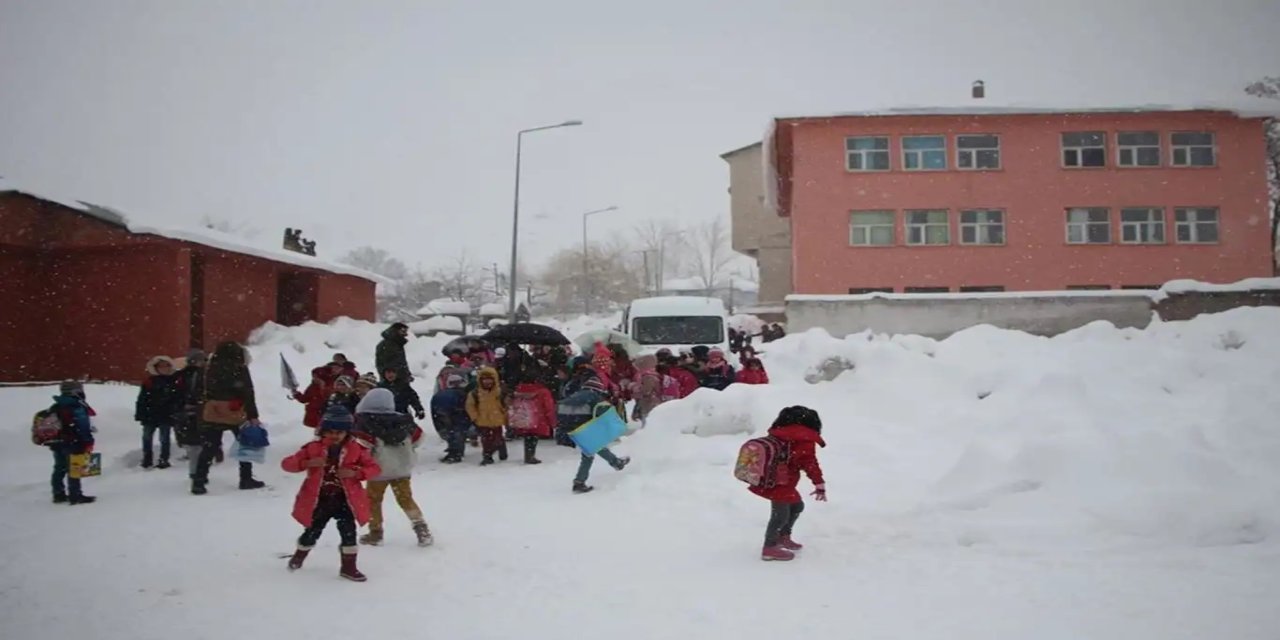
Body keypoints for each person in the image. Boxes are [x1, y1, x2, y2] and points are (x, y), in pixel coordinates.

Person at [281, 406, 381, 581]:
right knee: (312, 531)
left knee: (348, 532)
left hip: (346, 500)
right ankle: (299, 557)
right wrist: (308, 463)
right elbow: (287, 464)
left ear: (347, 433)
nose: (335, 436)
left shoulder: (356, 449)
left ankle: (349, 567)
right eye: (330, 432)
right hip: (320, 499)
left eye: (340, 432)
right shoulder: (312, 448)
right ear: (323, 431)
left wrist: (356, 473)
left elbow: (374, 468)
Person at [354, 389, 432, 547]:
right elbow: (419, 438)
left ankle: (375, 532)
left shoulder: (364, 421)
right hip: (401, 468)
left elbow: (363, 445)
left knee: (373, 500)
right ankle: (421, 528)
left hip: (378, 469)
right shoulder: (404, 420)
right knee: (405, 499)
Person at [751, 406, 826, 562]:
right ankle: (770, 547)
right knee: (780, 514)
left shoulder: (780, 432)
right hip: (780, 482)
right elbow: (809, 462)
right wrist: (819, 483)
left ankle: (783, 536)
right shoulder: (803, 438)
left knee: (796, 506)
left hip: (775, 479)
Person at [192, 341, 265, 495]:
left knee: (209, 448)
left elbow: (199, 391)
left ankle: (199, 481)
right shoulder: (239, 368)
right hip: (236, 411)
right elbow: (247, 392)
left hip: (213, 412)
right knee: (245, 445)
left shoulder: (207, 369)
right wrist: (253, 415)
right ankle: (245, 478)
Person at [47, 381, 96, 504]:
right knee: (75, 468)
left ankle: (58, 494)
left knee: (59, 468)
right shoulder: (76, 406)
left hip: (57, 442)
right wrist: (88, 442)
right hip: (73, 442)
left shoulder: (56, 405)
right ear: (75, 391)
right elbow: (83, 427)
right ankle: (75, 495)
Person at [571, 403, 631, 495]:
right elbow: (603, 416)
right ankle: (579, 482)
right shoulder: (594, 397)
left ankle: (616, 462)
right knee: (590, 452)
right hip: (585, 428)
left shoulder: (576, 397)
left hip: (574, 427)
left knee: (592, 448)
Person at [134, 356, 182, 469]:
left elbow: (178, 398)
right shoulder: (149, 381)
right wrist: (140, 413)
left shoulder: (174, 382)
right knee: (147, 437)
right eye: (161, 366)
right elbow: (142, 399)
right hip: (150, 414)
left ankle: (164, 459)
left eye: (166, 366)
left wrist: (175, 412)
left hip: (166, 414)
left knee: (164, 438)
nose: (164, 368)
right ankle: (147, 458)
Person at [507, 371, 557, 464]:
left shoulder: (519, 390)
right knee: (533, 438)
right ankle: (530, 456)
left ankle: (528, 455)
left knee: (527, 437)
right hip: (538, 419)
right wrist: (552, 421)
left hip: (523, 418)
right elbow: (548, 407)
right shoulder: (543, 391)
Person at [465, 368, 507, 465]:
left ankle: (500, 447)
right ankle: (487, 456)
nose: (487, 382)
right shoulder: (475, 393)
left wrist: (505, 414)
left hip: (497, 419)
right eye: (484, 379)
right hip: (482, 420)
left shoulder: (499, 392)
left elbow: (506, 404)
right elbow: (470, 406)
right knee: (485, 440)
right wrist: (474, 417)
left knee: (497, 438)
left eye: (490, 379)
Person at [174, 349, 206, 472]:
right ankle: (196, 469)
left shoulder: (185, 374)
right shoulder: (185, 375)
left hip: (194, 408)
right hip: (191, 408)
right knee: (193, 436)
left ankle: (196, 469)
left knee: (194, 436)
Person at [430, 374, 471, 463]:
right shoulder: (464, 394)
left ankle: (454, 452)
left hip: (446, 416)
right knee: (457, 434)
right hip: (458, 417)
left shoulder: (441, 394)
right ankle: (456, 453)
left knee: (452, 434)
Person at [631, 354, 664, 423]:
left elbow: (647, 391)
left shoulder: (648, 376)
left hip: (649, 403)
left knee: (649, 421)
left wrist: (635, 388)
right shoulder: (653, 374)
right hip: (652, 402)